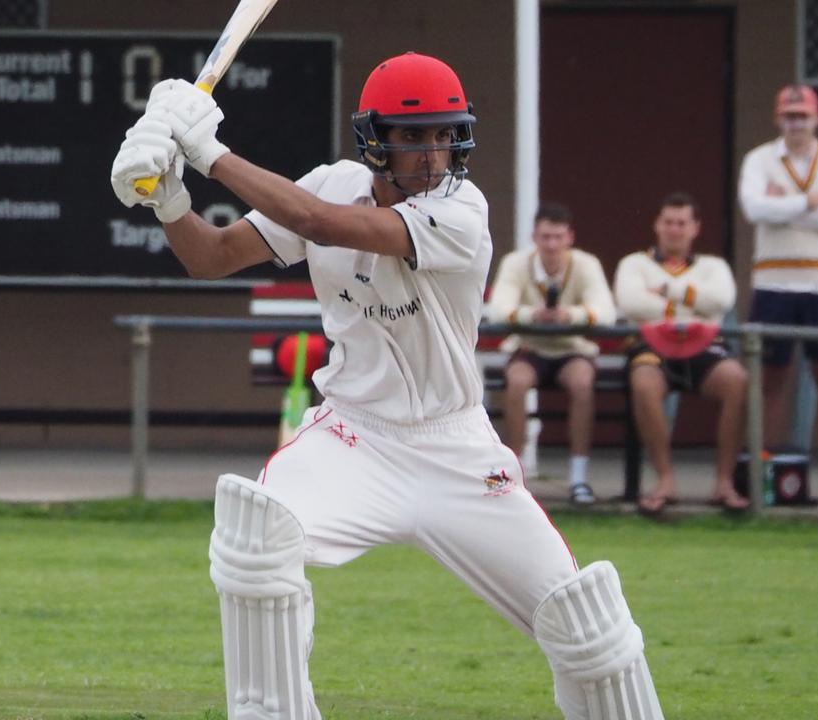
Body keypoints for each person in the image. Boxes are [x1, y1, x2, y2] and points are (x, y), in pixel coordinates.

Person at [110, 52, 663, 719]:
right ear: (375, 138)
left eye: (443, 134)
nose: (432, 153)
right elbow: (213, 256)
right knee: (256, 537)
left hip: (454, 448)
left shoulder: (462, 211)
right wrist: (168, 199)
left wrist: (208, 151)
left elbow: (322, 225)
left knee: (589, 631)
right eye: (413, 136)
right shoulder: (332, 184)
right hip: (354, 436)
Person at [737, 83, 818, 503]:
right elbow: (755, 209)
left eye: (803, 116)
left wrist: (785, 205)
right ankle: (764, 474)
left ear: (816, 119)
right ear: (778, 119)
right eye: (789, 116)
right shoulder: (759, 159)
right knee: (771, 378)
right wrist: (810, 202)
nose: (796, 124)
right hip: (773, 282)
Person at [613, 192, 749, 514]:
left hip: (704, 344)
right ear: (657, 225)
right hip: (650, 345)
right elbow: (630, 302)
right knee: (644, 383)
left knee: (738, 380)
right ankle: (665, 480)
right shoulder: (634, 263)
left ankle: (725, 482)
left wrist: (665, 291)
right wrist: (692, 304)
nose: (675, 229)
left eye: (682, 223)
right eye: (669, 222)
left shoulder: (714, 266)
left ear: (695, 228)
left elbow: (721, 301)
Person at [483, 204, 616, 505]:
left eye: (558, 237)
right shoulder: (516, 263)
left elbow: (605, 311)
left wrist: (569, 315)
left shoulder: (586, 264)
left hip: (572, 349)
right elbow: (499, 309)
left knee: (582, 384)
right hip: (529, 347)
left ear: (570, 237)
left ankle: (579, 476)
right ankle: (515, 472)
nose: (552, 244)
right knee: (516, 382)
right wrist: (534, 315)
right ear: (534, 237)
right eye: (546, 237)